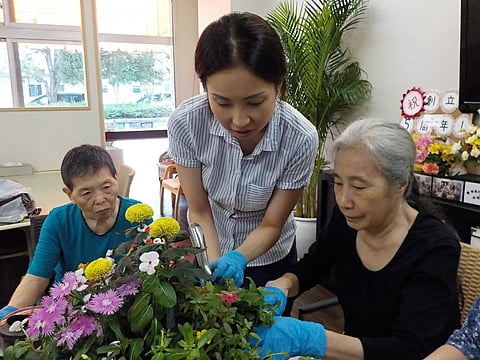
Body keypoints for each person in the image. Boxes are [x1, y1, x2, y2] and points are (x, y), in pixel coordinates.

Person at [254, 119, 461, 359]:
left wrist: (312, 339)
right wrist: (284, 284)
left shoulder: (435, 247)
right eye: (339, 183)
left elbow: (410, 349)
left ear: (401, 185)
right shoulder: (348, 220)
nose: (344, 201)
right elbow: (314, 264)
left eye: (359, 187)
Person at [167, 12, 318, 289]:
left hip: (270, 256)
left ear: (280, 86)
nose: (239, 120)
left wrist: (238, 257)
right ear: (205, 88)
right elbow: (199, 209)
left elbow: (272, 223)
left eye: (255, 102)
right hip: (213, 244)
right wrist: (215, 267)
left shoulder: (300, 137)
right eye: (222, 103)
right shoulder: (186, 123)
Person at [0, 144, 150, 320]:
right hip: (73, 311)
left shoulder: (138, 215)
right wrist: (7, 316)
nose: (100, 199)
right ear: (69, 194)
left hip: (126, 308)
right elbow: (37, 277)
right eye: (87, 193)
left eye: (107, 187)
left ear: (116, 178)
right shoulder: (59, 221)